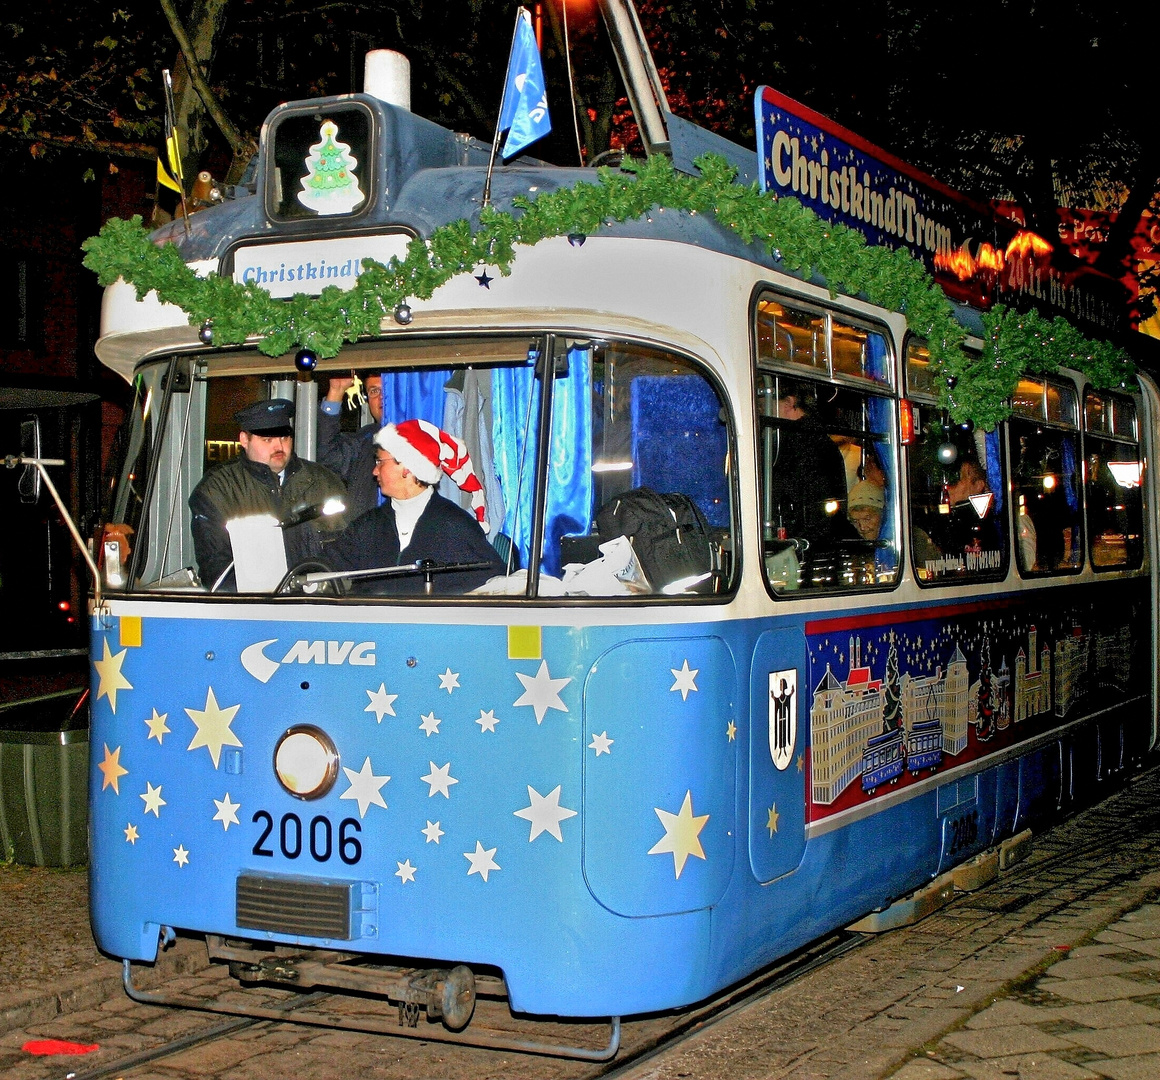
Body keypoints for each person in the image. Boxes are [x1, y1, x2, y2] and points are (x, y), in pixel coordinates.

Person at [325, 418, 506, 595]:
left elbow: (494, 584)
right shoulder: (366, 527)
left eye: (380, 462)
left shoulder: (455, 526)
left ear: (407, 467)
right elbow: (323, 570)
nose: (374, 470)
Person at [189, 398, 347, 591]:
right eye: (267, 440)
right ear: (244, 440)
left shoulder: (325, 483)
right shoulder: (217, 491)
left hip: (320, 605)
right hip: (253, 610)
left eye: (284, 438)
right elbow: (216, 570)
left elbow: (347, 555)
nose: (279, 447)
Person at [766, 380, 859, 554]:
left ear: (788, 403)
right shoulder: (820, 439)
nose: (764, 411)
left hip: (799, 543)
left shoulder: (787, 444)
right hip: (818, 542)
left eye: (768, 405)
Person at [318, 372, 383, 520]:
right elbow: (329, 458)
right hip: (365, 535)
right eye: (374, 391)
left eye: (387, 390)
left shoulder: (426, 430)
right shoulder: (366, 437)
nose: (381, 398)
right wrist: (336, 392)